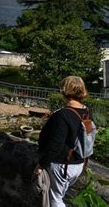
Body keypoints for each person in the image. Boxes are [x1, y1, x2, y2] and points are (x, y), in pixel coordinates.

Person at [36, 76, 92, 207]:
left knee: (55, 200)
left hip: (63, 164)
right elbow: (87, 136)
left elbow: (55, 145)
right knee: (59, 195)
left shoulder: (63, 115)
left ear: (65, 90)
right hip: (78, 162)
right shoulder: (87, 112)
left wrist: (41, 165)